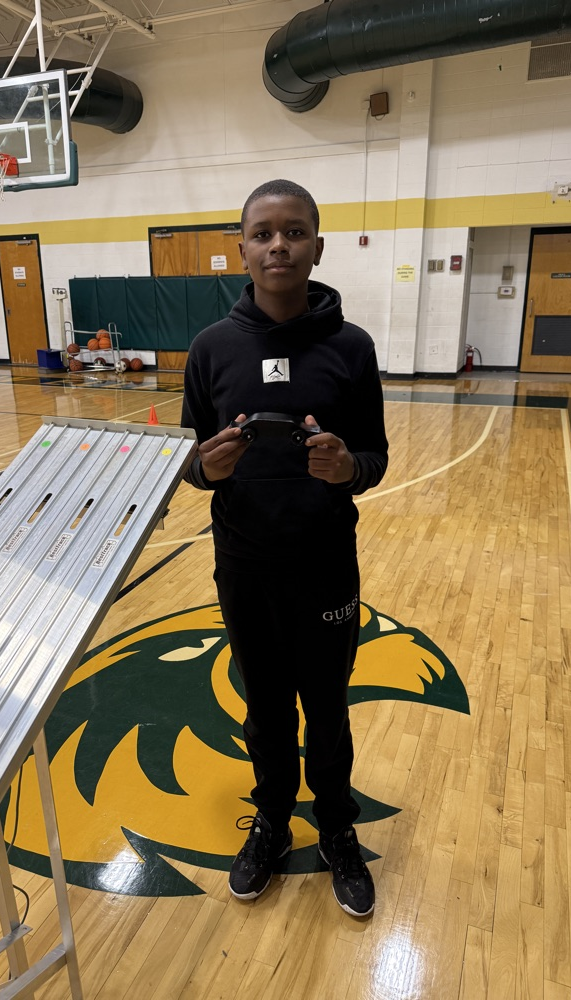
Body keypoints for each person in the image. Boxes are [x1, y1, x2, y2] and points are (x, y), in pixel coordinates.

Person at [180, 179, 389, 918]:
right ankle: (270, 822)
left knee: (327, 708)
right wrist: (205, 467)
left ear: (317, 246)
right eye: (263, 233)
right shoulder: (210, 349)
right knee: (265, 709)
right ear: (241, 247)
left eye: (294, 232)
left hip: (325, 564)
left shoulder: (352, 349)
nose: (278, 245)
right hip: (244, 566)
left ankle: (336, 827)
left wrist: (347, 468)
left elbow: (375, 458)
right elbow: (187, 457)